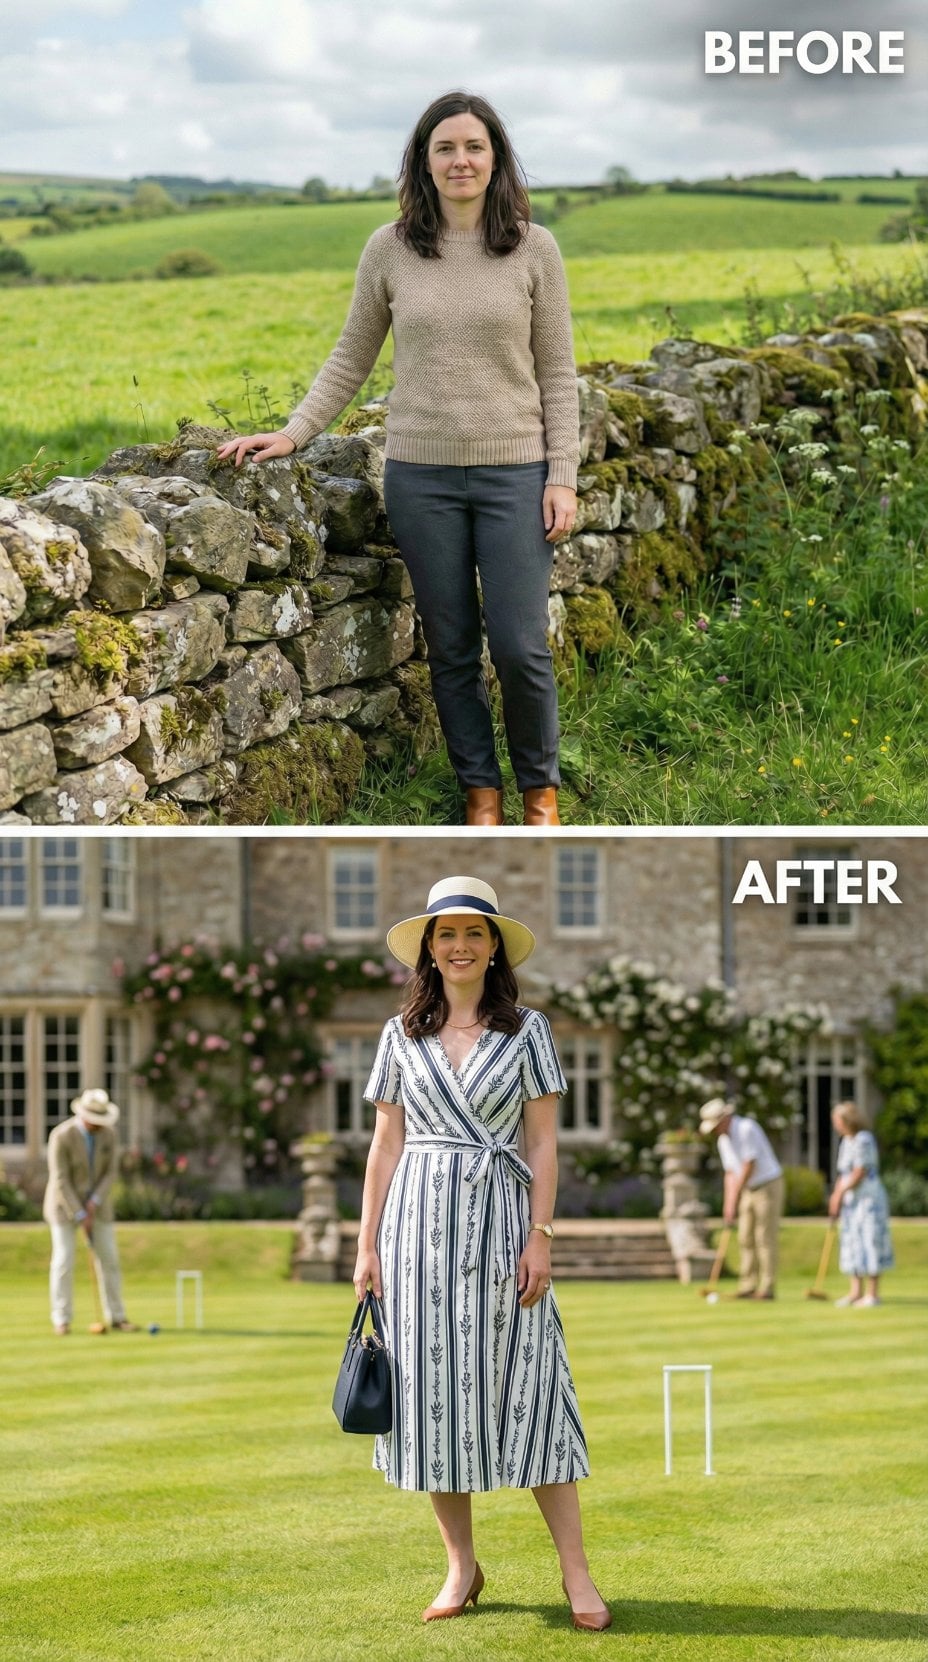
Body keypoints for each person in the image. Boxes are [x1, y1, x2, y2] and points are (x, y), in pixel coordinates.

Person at [217, 90, 579, 829]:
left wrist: (563, 477)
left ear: (497, 158)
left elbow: (558, 372)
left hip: (516, 474)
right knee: (449, 649)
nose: (460, 160)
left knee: (518, 646)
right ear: (423, 161)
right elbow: (352, 356)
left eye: (474, 147)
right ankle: (482, 796)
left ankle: (540, 795)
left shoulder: (534, 249)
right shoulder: (390, 249)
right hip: (421, 478)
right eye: (444, 148)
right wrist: (294, 433)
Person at [353, 875, 609, 1630]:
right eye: (446, 934)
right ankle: (461, 1569)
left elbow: (542, 1141)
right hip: (416, 1238)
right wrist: (366, 1245)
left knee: (535, 1395)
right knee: (433, 1407)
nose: (459, 946)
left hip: (503, 1226)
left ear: (494, 946)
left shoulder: (528, 1031)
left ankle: (578, 1576)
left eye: (473, 933)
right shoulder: (400, 1035)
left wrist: (541, 1233)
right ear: (428, 950)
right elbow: (385, 1144)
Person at [42, 1088, 137, 1335]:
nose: (98, 1125)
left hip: (99, 1205)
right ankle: (61, 1319)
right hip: (64, 1206)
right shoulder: (61, 1136)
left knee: (109, 1259)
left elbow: (111, 1173)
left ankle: (117, 1316)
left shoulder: (109, 1135)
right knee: (63, 1259)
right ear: (83, 1115)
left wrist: (94, 1201)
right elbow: (60, 1179)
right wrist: (80, 1213)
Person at [699, 1097, 784, 1300]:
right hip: (747, 1188)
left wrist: (737, 1193)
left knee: (764, 1237)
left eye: (715, 1126)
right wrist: (729, 1205)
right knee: (745, 1236)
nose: (714, 1131)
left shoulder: (746, 1128)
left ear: (725, 1118)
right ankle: (748, 1285)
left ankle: (767, 1287)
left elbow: (749, 1165)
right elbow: (730, 1173)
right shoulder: (723, 1141)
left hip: (767, 1184)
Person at [828, 1101, 894, 1307]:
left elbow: (859, 1172)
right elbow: (844, 1173)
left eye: (837, 1121)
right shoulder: (846, 1141)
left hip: (868, 1200)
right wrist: (835, 1196)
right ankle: (855, 1291)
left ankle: (872, 1294)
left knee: (870, 1240)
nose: (835, 1125)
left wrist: (840, 1193)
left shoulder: (864, 1139)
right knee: (852, 1242)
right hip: (851, 1202)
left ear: (847, 1120)